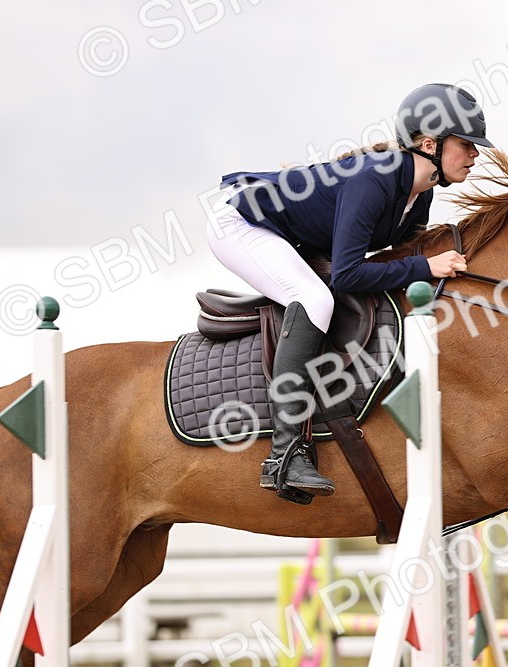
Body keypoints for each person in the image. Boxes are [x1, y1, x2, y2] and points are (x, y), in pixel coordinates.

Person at [206, 83, 493, 501]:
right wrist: (425, 266)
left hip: (288, 232)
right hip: (240, 224)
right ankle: (283, 454)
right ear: (430, 144)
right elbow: (348, 276)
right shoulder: (373, 181)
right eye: (466, 144)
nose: (475, 154)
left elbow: (393, 265)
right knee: (316, 299)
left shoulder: (420, 194)